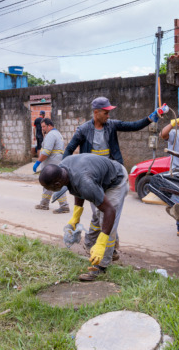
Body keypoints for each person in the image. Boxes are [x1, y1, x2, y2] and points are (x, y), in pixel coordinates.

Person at [63, 96, 165, 259]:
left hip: (111, 175)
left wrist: (152, 117)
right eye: (106, 112)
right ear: (96, 113)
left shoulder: (111, 125)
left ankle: (105, 248)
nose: (108, 116)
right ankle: (99, 245)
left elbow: (133, 126)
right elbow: (68, 150)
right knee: (100, 213)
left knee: (107, 212)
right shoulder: (83, 130)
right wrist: (65, 171)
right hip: (92, 177)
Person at [39, 153, 128, 281]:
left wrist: (101, 244)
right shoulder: (64, 168)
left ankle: (101, 265)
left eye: (48, 188)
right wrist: (76, 215)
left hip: (116, 180)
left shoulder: (85, 182)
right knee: (98, 216)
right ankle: (111, 250)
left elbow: (110, 211)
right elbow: (76, 188)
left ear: (57, 184)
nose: (48, 191)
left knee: (106, 219)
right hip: (102, 178)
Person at [33, 118, 69, 213]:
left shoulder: (51, 135)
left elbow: (46, 152)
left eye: (44, 126)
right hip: (56, 162)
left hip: (51, 164)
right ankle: (44, 204)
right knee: (48, 183)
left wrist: (38, 162)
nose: (42, 129)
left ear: (49, 126)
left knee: (55, 183)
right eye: (42, 127)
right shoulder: (57, 134)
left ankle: (64, 206)